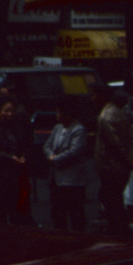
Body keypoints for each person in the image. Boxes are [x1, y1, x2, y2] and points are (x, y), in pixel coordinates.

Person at [92, 84, 133, 234]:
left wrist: (127, 159)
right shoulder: (119, 112)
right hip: (121, 166)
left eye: (95, 95)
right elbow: (130, 140)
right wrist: (132, 158)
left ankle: (120, 230)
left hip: (111, 166)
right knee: (115, 198)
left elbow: (115, 143)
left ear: (102, 97)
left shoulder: (105, 116)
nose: (93, 99)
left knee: (111, 199)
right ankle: (122, 226)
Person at [43, 96, 93, 231]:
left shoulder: (78, 129)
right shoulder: (57, 128)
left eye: (60, 112)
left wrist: (55, 159)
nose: (57, 116)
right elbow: (47, 145)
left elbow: (74, 151)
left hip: (72, 178)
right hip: (56, 177)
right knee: (58, 211)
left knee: (75, 212)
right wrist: (50, 156)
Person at [0, 98, 32, 225]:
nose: (10, 114)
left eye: (12, 111)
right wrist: (9, 157)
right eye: (6, 111)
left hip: (13, 174)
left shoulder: (16, 126)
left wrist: (23, 156)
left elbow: (24, 144)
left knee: (15, 209)